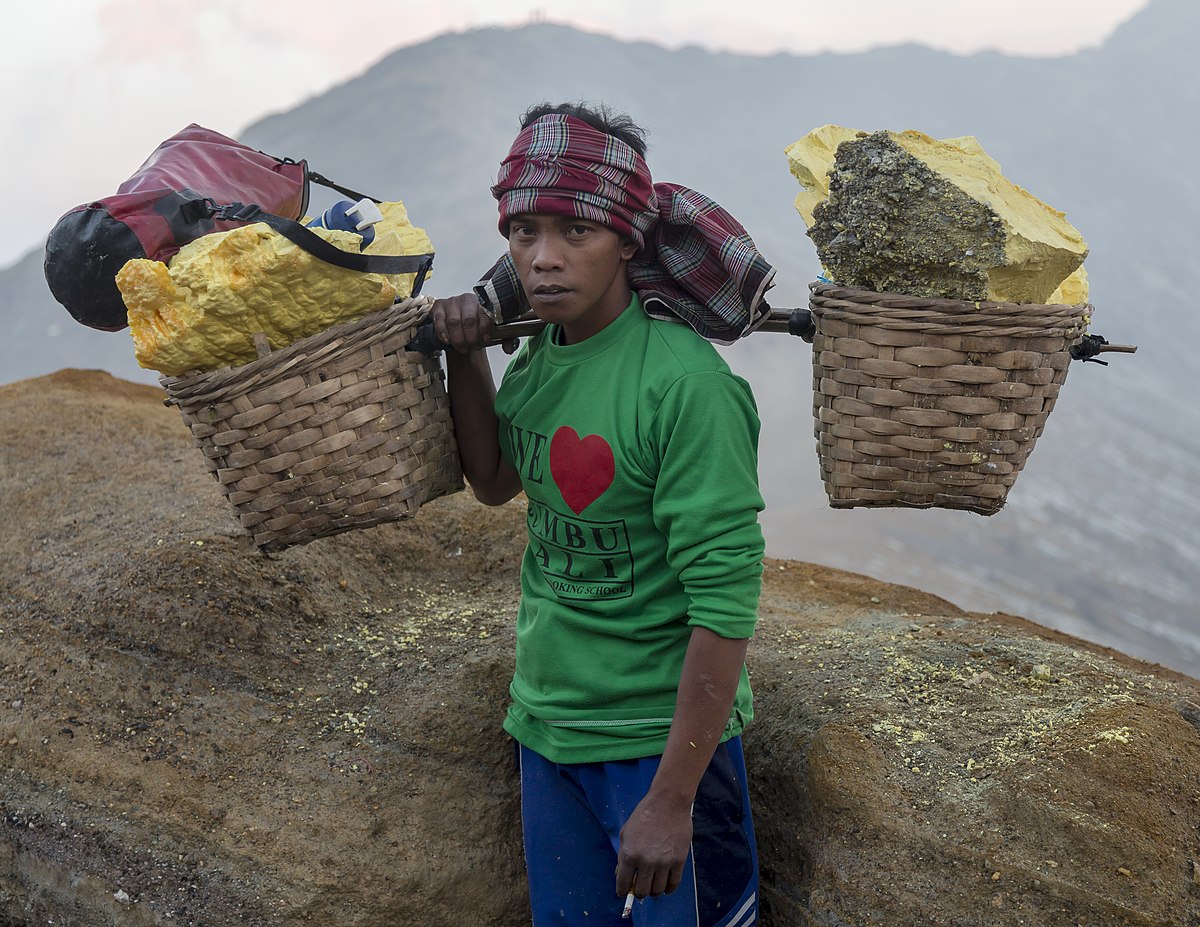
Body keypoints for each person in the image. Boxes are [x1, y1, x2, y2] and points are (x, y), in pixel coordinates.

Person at [431, 101, 771, 927]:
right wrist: (466, 352)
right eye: (524, 232)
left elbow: (725, 603)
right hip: (550, 726)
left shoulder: (685, 387)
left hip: (657, 747)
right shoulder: (540, 360)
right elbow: (494, 480)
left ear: (628, 238)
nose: (543, 259)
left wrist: (672, 798)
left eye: (575, 232)